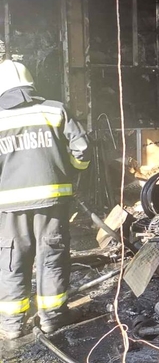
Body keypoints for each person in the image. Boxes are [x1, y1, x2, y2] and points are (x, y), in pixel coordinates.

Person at [0, 60, 90, 339]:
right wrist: (70, 171)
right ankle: (52, 317)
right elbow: (82, 150)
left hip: (9, 206)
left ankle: (12, 325)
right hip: (53, 201)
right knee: (52, 256)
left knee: (12, 258)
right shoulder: (54, 110)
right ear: (30, 84)